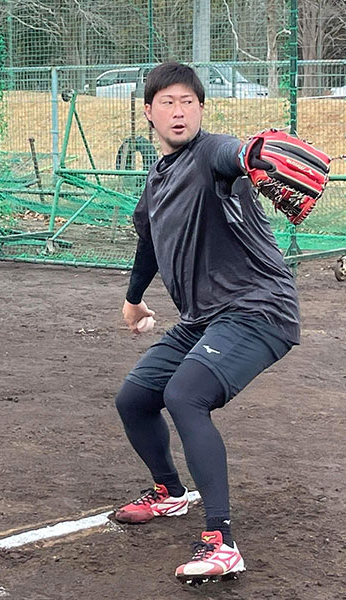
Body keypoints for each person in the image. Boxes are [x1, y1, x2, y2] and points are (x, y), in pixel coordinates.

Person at [112, 62, 299, 582]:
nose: (179, 110)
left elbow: (235, 153)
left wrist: (253, 155)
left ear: (201, 110)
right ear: (148, 112)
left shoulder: (211, 155)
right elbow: (149, 244)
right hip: (204, 318)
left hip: (259, 309)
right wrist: (133, 301)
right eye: (167, 102)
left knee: (185, 396)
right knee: (135, 399)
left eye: (189, 101)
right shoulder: (156, 183)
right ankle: (170, 492)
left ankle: (221, 541)